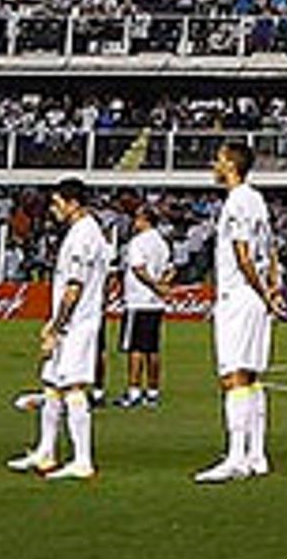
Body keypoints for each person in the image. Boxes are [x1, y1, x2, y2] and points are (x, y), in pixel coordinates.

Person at [16, 177, 110, 481]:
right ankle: (46, 451)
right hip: (70, 321)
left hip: (77, 324)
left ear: (73, 204)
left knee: (73, 387)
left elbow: (74, 287)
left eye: (57, 204)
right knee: (52, 384)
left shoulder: (84, 235)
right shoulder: (79, 232)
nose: (53, 210)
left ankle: (83, 459)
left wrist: (56, 328)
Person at [198, 140, 279, 483]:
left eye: (217, 160)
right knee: (251, 376)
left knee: (232, 376)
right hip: (254, 298)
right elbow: (272, 249)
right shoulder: (257, 199)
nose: (214, 166)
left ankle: (235, 458)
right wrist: (273, 288)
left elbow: (244, 255)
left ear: (230, 165)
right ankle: (256, 454)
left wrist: (263, 292)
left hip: (241, 296)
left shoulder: (236, 203)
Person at [119, 196, 176, 411]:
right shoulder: (161, 242)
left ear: (145, 220)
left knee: (136, 348)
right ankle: (152, 391)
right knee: (152, 348)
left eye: (137, 219)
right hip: (156, 304)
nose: (135, 222)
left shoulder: (138, 242)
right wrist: (163, 284)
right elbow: (171, 268)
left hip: (138, 300)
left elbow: (138, 269)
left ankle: (134, 391)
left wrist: (154, 285)